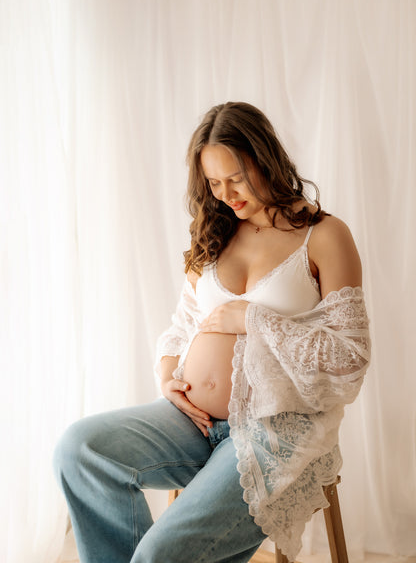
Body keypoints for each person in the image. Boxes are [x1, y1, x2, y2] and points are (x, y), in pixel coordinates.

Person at [54, 102, 370, 563]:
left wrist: (254, 319)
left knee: (158, 555)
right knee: (79, 450)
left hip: (275, 432)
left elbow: (351, 358)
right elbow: (182, 326)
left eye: (236, 179)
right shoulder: (216, 234)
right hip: (194, 424)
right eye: (214, 184)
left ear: (266, 159)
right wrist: (168, 378)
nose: (227, 195)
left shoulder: (322, 235)